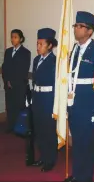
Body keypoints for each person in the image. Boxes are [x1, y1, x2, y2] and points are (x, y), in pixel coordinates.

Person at [65, 11, 94, 182]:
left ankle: (86, 177)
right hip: (74, 104)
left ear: (89, 31)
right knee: (77, 143)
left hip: (88, 106)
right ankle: (77, 175)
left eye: (80, 26)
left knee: (87, 144)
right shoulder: (74, 49)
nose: (76, 29)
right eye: (76, 25)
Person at [31, 28, 58, 172]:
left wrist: (55, 104)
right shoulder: (36, 60)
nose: (38, 47)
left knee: (49, 131)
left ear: (49, 45)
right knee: (39, 129)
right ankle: (42, 156)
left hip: (49, 100)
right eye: (37, 44)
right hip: (37, 98)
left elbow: (57, 84)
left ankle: (50, 160)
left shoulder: (55, 61)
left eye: (41, 44)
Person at [2, 29, 31, 133]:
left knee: (19, 106)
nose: (12, 39)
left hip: (19, 85)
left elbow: (23, 70)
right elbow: (4, 67)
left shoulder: (26, 53)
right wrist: (7, 81)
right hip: (8, 85)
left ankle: (20, 128)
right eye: (12, 37)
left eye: (15, 37)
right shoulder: (8, 51)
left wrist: (13, 82)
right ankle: (10, 126)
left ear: (21, 39)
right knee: (10, 106)